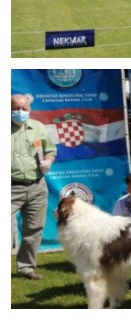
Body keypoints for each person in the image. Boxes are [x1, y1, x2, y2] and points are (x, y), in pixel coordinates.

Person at [11, 94, 56, 280]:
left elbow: (50, 150)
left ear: (29, 110)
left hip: (37, 186)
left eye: (24, 109)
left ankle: (26, 268)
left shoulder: (37, 127)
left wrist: (48, 161)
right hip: (10, 187)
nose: (20, 112)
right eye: (15, 108)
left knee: (34, 229)